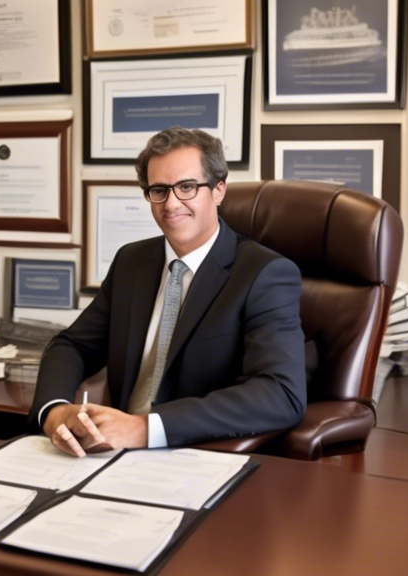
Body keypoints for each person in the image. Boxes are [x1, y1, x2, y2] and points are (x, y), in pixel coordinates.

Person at [30, 126, 307, 457]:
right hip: (108, 454)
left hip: (195, 454)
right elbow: (72, 345)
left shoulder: (264, 274)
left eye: (187, 187)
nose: (171, 204)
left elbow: (280, 392)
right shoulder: (131, 261)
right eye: (158, 190)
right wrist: (55, 411)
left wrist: (144, 428)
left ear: (219, 190)